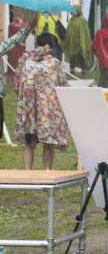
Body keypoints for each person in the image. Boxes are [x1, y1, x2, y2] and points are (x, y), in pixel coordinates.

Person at [15, 33, 69, 170]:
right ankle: (47, 172)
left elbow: (16, 84)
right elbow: (62, 85)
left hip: (28, 110)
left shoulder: (24, 60)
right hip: (47, 111)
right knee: (48, 144)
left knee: (28, 143)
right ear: (50, 46)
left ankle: (28, 173)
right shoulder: (54, 63)